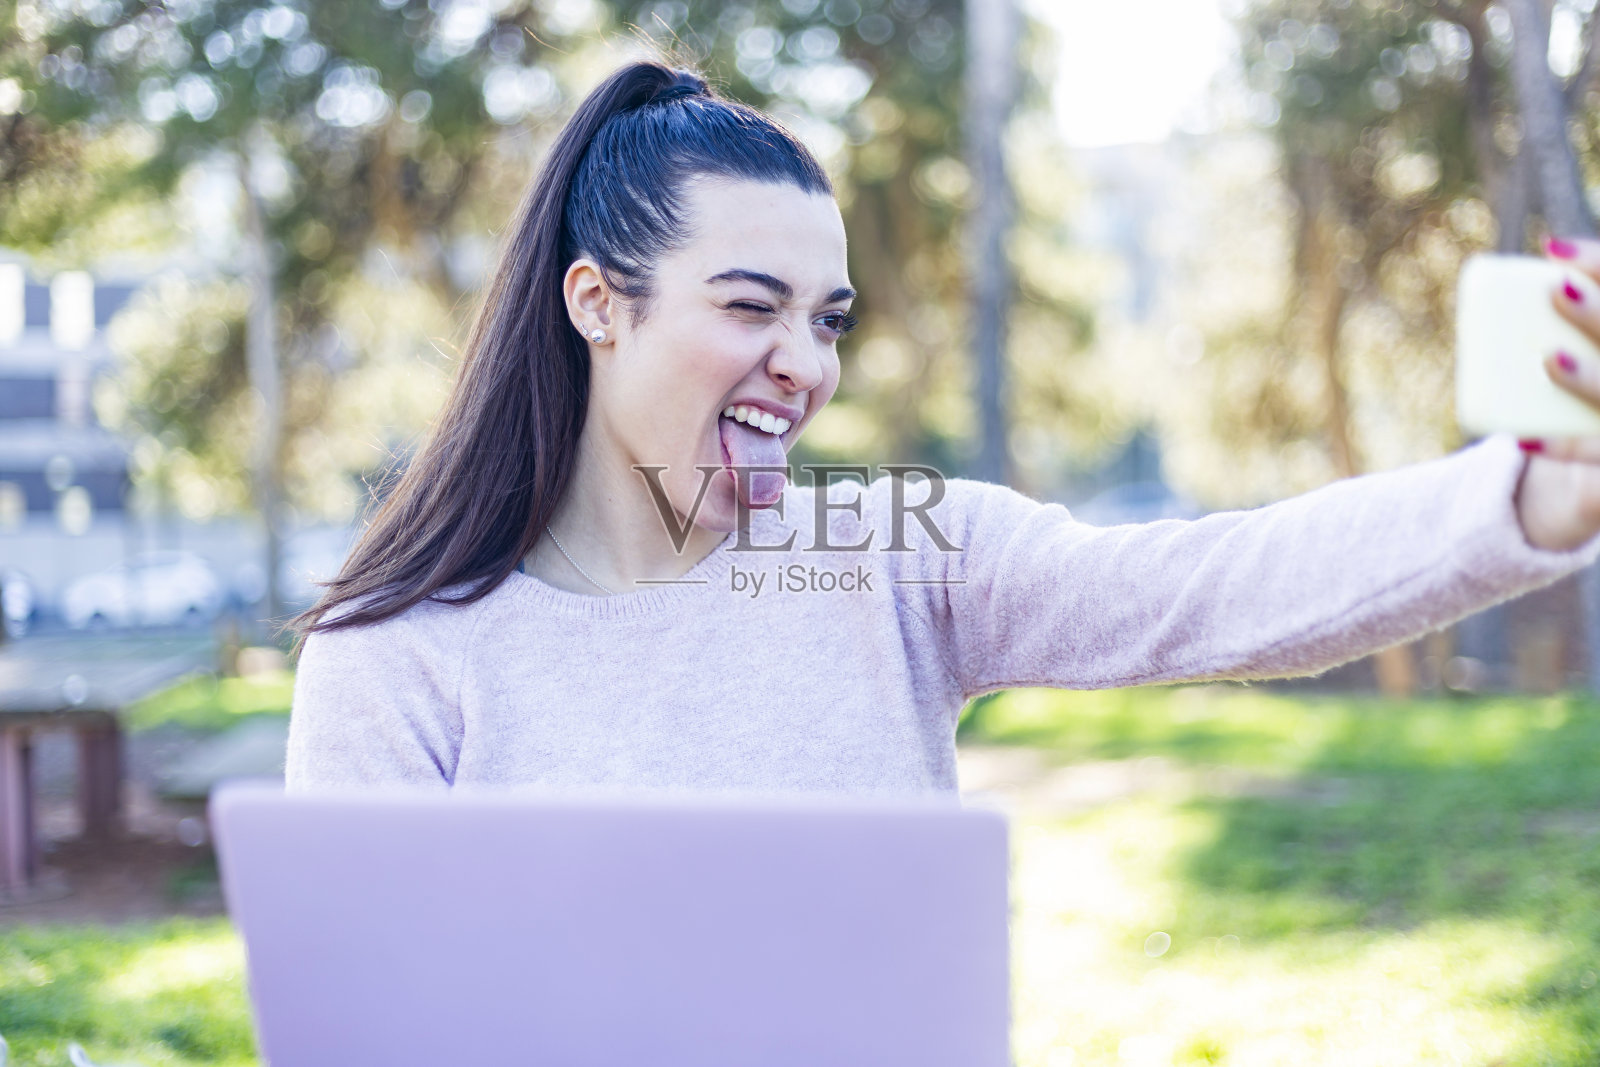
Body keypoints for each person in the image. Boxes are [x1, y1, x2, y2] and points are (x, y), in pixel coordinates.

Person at [283, 60, 1600, 795]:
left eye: (829, 320)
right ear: (597, 303)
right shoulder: (400, 657)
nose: (801, 365)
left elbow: (1214, 588)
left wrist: (1532, 499)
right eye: (752, 308)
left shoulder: (893, 559)